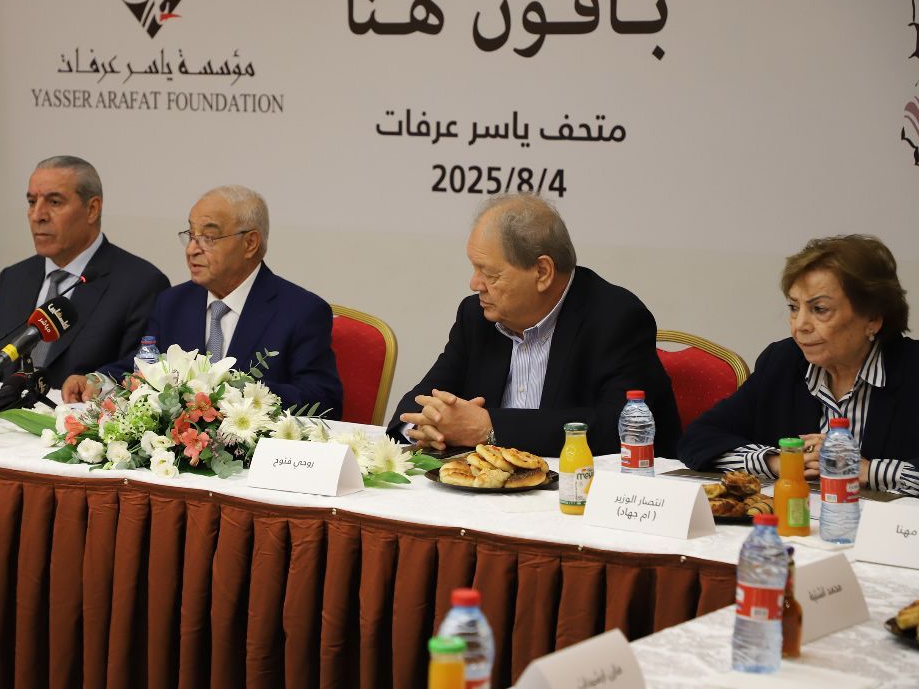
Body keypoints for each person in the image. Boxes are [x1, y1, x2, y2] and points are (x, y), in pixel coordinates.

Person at [388, 194, 680, 457]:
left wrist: (490, 428)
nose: (475, 284)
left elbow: (616, 429)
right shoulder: (476, 317)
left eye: (490, 274)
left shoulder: (615, 318)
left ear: (542, 272)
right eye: (475, 268)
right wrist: (426, 428)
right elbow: (417, 405)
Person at [63, 185, 343, 416]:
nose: (192, 250)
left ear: (250, 243)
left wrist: (232, 392)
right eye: (191, 235)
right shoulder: (173, 303)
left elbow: (323, 400)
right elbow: (144, 367)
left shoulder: (300, 311)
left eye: (208, 237)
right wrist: (97, 380)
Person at [679, 235, 919, 496]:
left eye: (820, 309)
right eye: (794, 307)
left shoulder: (911, 369)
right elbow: (698, 439)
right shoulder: (782, 362)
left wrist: (869, 471)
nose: (800, 325)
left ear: (872, 318)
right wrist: (778, 462)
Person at [0, 156, 168, 389]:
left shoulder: (141, 284)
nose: (37, 215)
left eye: (54, 202)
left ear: (92, 209)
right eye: (32, 202)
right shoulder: (13, 278)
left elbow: (138, 375)